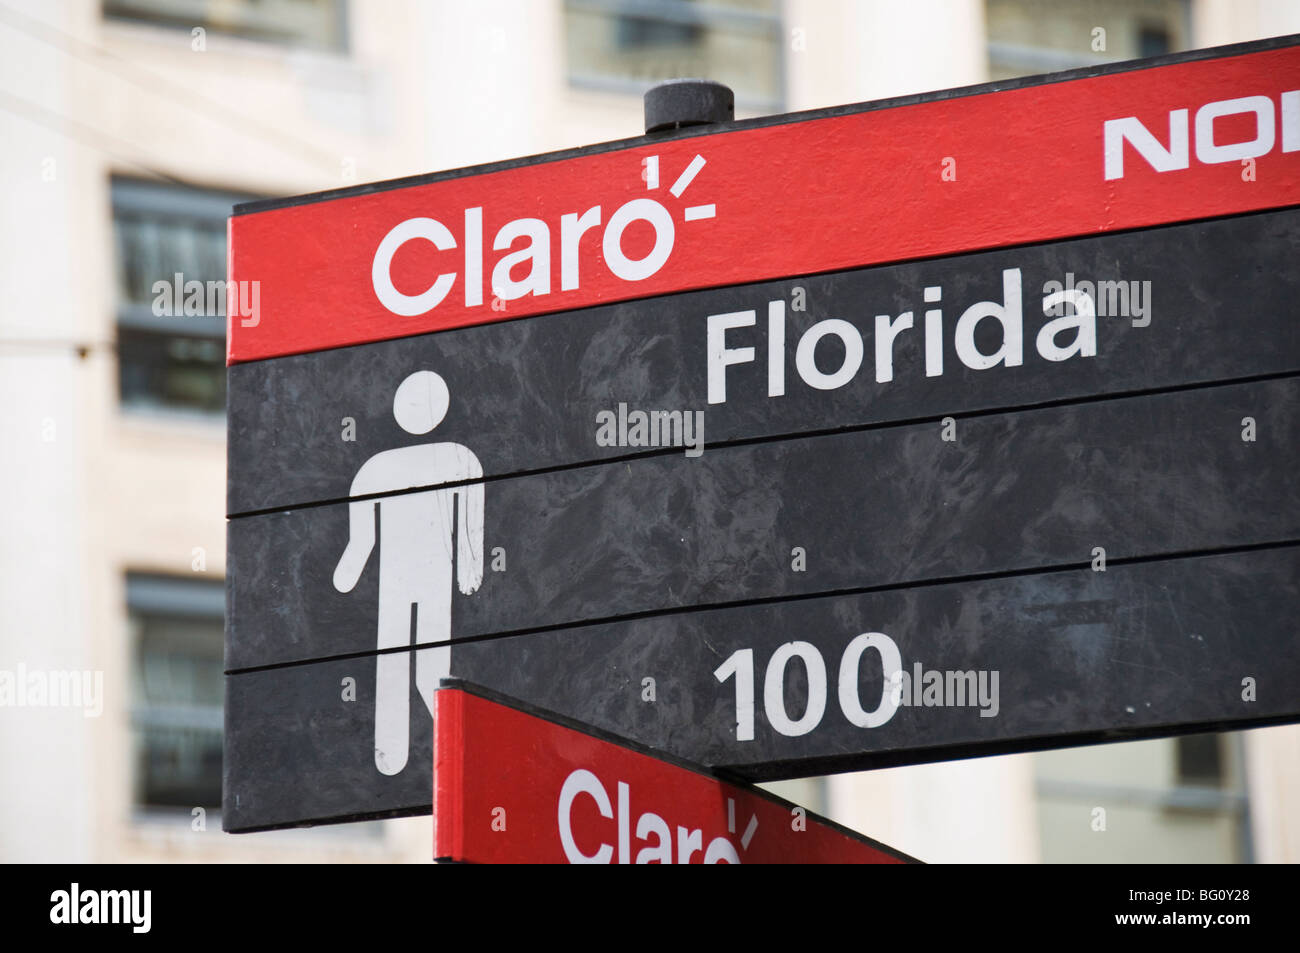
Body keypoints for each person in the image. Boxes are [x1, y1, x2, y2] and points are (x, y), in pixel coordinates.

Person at [333, 370, 484, 775]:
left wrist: (471, 566)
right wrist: (351, 564)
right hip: (401, 578)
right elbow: (362, 532)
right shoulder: (386, 466)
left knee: (420, 662)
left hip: (429, 576)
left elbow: (470, 519)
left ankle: (449, 749)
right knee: (399, 659)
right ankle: (397, 749)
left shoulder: (456, 458)